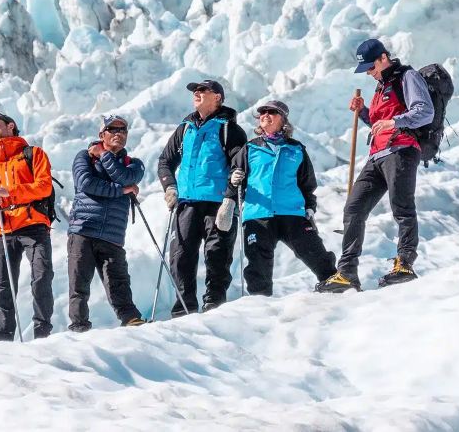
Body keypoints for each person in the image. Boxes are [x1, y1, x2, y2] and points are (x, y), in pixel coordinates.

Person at [317, 38, 435, 292]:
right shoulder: (382, 86)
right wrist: (363, 112)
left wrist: (395, 122)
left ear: (384, 58)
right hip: (377, 154)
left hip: (402, 150)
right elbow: (379, 123)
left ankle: (405, 264)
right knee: (354, 208)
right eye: (366, 69)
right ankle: (347, 273)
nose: (369, 72)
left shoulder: (407, 77)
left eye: (371, 67)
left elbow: (425, 111)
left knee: (402, 207)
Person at [216, 100, 336, 295]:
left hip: (293, 213)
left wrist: (310, 207)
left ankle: (336, 286)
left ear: (283, 120)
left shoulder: (297, 149)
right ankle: (260, 302)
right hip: (258, 214)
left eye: (271, 112)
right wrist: (232, 187)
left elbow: (307, 184)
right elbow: (235, 177)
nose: (265, 115)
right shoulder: (249, 148)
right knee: (258, 265)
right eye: (262, 112)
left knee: (315, 252)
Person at [157, 79, 247, 314]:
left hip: (218, 204)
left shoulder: (229, 129)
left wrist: (230, 200)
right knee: (180, 257)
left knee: (217, 256)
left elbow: (240, 167)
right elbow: (165, 161)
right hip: (187, 203)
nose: (196, 93)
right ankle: (184, 309)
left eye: (203, 90)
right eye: (194, 90)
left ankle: (213, 306)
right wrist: (170, 187)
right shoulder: (185, 128)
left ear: (217, 97)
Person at [0, 109, 55, 340]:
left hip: (33, 225)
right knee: (2, 285)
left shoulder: (33, 154)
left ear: (10, 126)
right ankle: (4, 334)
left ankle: (42, 331)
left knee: (41, 276)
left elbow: (44, 186)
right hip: (3, 229)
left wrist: (9, 193)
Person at [67, 115, 146, 331]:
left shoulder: (134, 164)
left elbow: (125, 178)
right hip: (83, 228)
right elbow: (86, 183)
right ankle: (79, 326)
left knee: (119, 280)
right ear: (102, 134)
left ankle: (131, 319)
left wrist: (103, 155)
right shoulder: (84, 156)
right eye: (113, 129)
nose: (118, 133)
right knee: (79, 283)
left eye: (123, 130)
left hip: (112, 233)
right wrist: (121, 191)